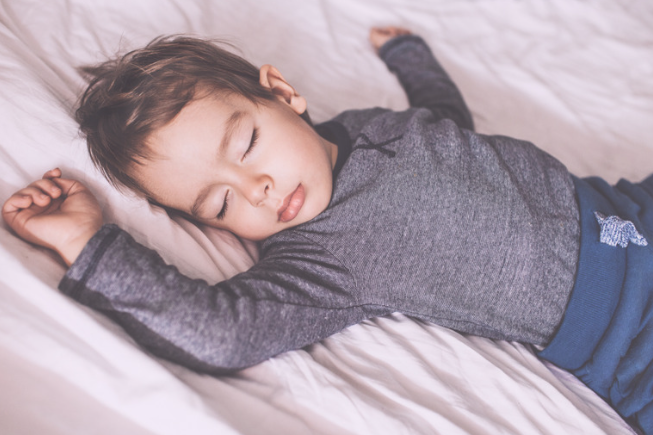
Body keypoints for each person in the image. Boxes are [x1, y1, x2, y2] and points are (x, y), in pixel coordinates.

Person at [2, 27, 652, 433]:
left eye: (248, 142)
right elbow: (221, 330)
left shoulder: (364, 127)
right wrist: (88, 242)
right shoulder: (319, 258)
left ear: (282, 94)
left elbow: (445, 126)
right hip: (628, 334)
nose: (254, 187)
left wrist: (409, 56)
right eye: (220, 203)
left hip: (621, 208)